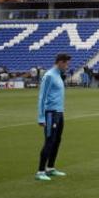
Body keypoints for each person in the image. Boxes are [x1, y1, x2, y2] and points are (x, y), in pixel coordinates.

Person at [35, 53, 71, 181]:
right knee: (49, 141)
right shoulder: (49, 76)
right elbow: (42, 96)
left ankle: (50, 167)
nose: (67, 66)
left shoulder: (58, 75)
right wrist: (41, 117)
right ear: (60, 62)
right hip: (50, 113)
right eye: (66, 63)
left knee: (57, 141)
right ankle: (40, 171)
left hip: (59, 113)